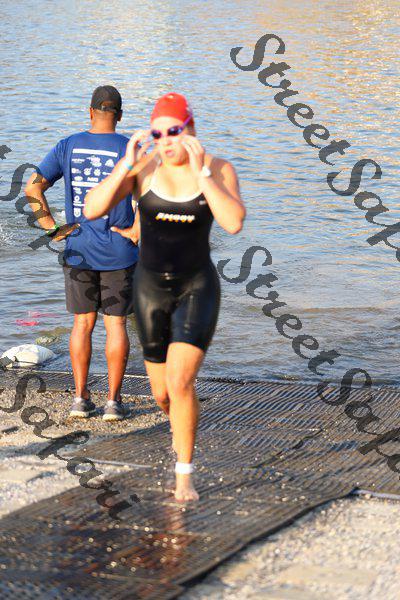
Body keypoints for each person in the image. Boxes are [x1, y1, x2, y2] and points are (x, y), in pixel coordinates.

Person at [84, 92, 246, 501]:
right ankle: (181, 429)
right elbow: (92, 209)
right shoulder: (144, 168)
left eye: (173, 131)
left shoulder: (218, 168)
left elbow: (233, 223)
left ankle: (184, 474)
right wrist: (125, 164)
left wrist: (202, 173)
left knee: (180, 380)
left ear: (190, 129)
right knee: (161, 393)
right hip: (150, 288)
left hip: (196, 287)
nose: (166, 141)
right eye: (158, 134)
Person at [24, 85, 138, 421]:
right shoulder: (132, 148)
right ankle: (113, 403)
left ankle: (79, 399)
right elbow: (154, 194)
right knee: (116, 326)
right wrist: (136, 231)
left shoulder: (68, 145)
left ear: (90, 112)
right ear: (119, 115)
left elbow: (33, 187)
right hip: (119, 250)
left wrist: (51, 228)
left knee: (82, 324)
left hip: (78, 248)